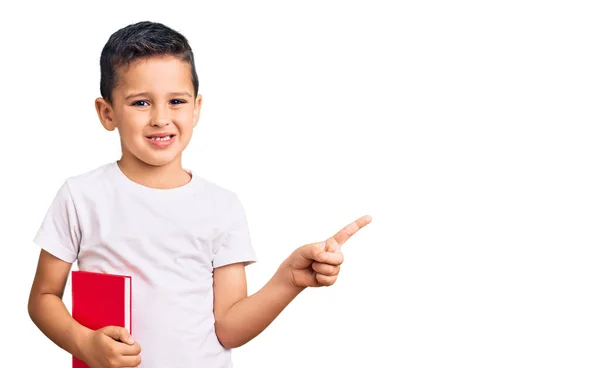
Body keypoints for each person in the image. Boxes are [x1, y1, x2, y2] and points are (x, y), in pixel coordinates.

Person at [27, 20, 371, 368]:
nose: (161, 118)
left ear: (196, 108)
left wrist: (289, 279)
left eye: (176, 101)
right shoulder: (81, 196)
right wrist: (85, 343)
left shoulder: (221, 207)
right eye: (141, 103)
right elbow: (43, 298)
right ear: (107, 113)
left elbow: (229, 328)